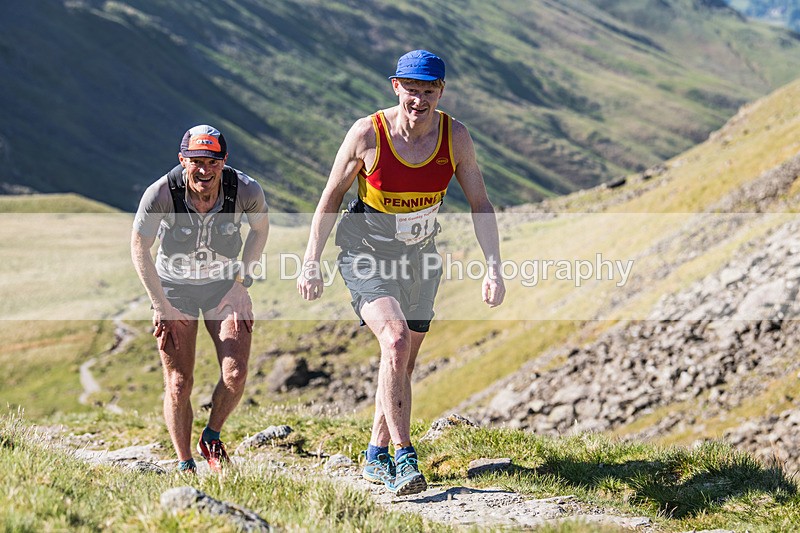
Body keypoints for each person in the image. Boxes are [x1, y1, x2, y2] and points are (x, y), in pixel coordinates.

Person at [297, 50, 505, 495]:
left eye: (429, 91)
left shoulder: (455, 137)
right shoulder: (367, 134)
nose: (419, 100)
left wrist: (493, 267)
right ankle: (405, 457)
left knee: (402, 360)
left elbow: (481, 203)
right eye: (411, 90)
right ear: (396, 87)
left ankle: (375, 455)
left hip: (421, 257)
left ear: (441, 91)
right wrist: (311, 260)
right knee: (393, 339)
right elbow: (331, 197)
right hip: (365, 251)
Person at [131, 124, 269, 473]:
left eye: (213, 162)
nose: (205, 170)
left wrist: (241, 284)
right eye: (196, 162)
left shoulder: (246, 190)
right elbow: (139, 247)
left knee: (235, 374)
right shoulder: (160, 193)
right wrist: (160, 305)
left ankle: (211, 436)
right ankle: (185, 464)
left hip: (223, 285)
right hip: (175, 289)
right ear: (183, 160)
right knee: (179, 382)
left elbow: (260, 229)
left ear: (224, 161)